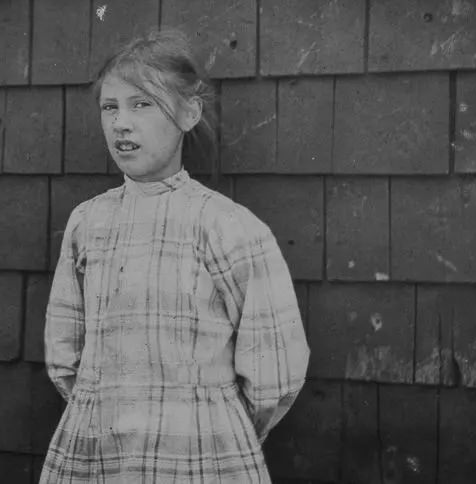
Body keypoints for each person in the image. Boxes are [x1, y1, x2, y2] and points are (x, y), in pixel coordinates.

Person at [41, 28, 310, 483]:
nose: (121, 123)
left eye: (141, 104)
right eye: (111, 107)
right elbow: (64, 356)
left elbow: (275, 376)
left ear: (189, 113)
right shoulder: (88, 223)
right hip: (99, 456)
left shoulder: (227, 226)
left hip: (199, 458)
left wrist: (210, 424)